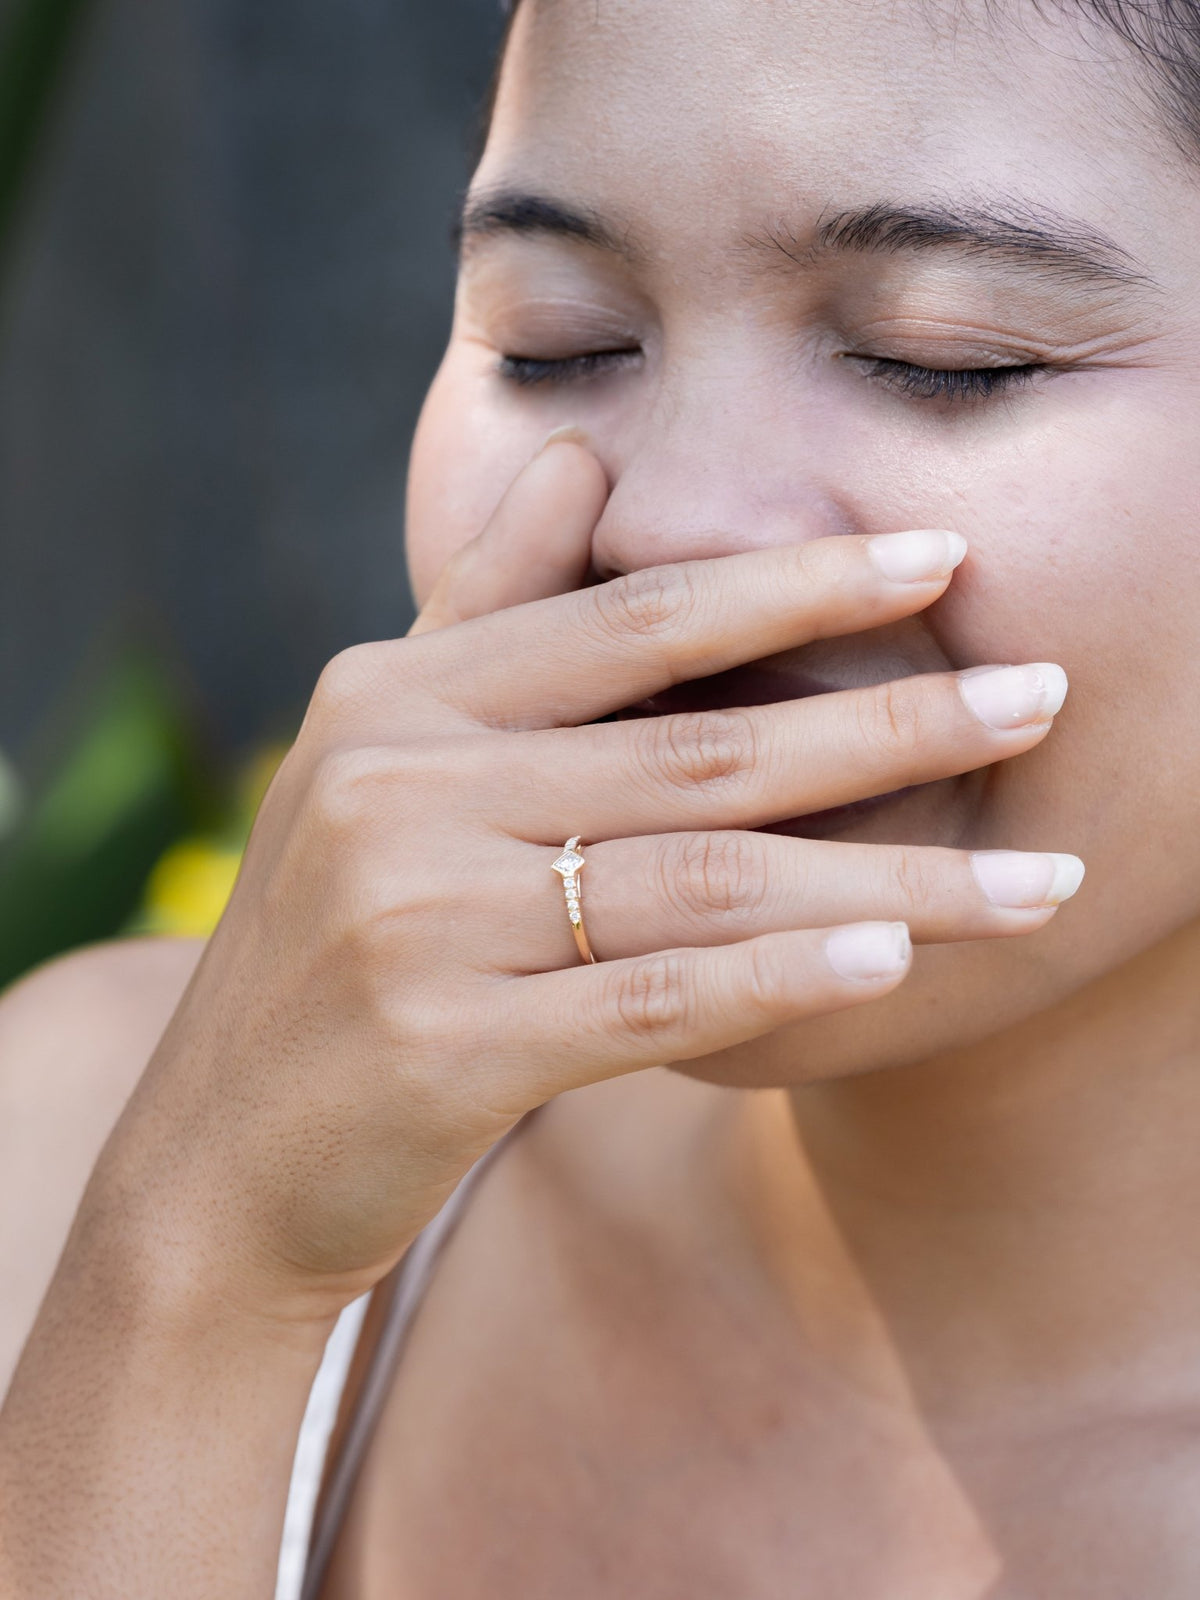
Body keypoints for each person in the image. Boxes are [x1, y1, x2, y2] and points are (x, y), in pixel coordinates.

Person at [4, 0, 1200, 1592]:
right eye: (556, 339)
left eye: (943, 359)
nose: (673, 524)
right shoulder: (96, 1146)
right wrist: (196, 1280)